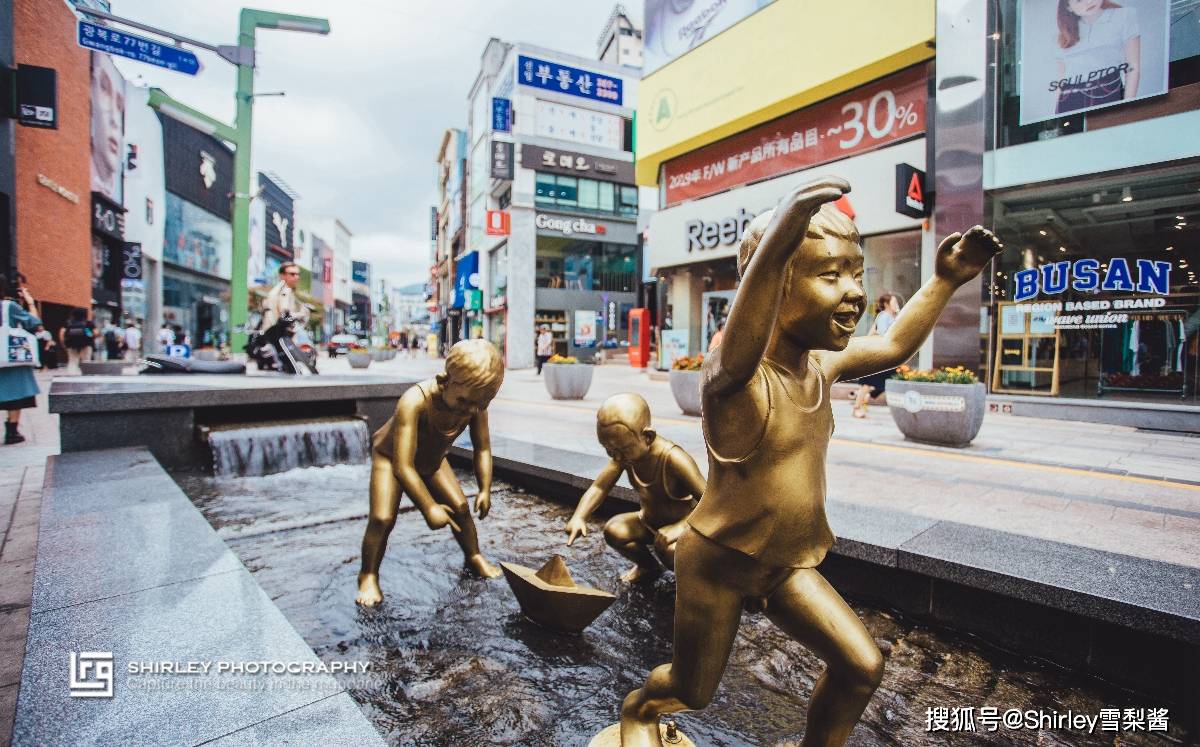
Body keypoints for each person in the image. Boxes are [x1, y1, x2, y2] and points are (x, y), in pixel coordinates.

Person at [615, 177, 1000, 746]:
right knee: (693, 690)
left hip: (786, 563)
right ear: (771, 288)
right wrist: (781, 231)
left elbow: (893, 347)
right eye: (829, 275)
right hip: (718, 563)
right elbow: (743, 339)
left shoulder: (822, 367)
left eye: (856, 273)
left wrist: (945, 280)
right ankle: (639, 711)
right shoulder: (733, 380)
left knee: (861, 666)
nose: (853, 292)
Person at [356, 339, 506, 606]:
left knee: (460, 507)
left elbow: (482, 448)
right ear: (446, 380)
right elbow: (403, 466)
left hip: (431, 459)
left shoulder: (475, 404)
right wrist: (428, 508)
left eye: (479, 404)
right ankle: (368, 575)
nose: (470, 410)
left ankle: (474, 556)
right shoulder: (414, 401)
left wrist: (484, 488)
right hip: (392, 459)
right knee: (382, 518)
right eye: (464, 402)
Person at [565, 393, 706, 583]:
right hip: (648, 523)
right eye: (609, 450)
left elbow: (710, 502)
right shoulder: (623, 457)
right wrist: (579, 516)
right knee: (614, 530)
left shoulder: (674, 459)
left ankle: (693, 586)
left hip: (681, 530)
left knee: (670, 550)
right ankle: (648, 567)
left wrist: (681, 527)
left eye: (622, 450)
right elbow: (599, 487)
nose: (617, 457)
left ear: (648, 437)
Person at [1054, 0, 1141, 116]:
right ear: (1068, 7)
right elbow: (1061, 79)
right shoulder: (1065, 33)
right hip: (1070, 98)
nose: (1088, 1)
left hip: (1107, 91)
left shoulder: (1123, 15)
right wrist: (1055, 117)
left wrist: (1128, 105)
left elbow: (1133, 66)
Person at [0, 275, 42, 445]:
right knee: (15, 390)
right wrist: (30, 302)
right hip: (8, 355)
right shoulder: (9, 306)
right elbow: (34, 323)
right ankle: (12, 431)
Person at [851, 293, 902, 418]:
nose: (896, 305)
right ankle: (857, 407)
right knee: (868, 382)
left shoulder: (891, 316)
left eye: (896, 302)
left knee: (887, 380)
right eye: (894, 302)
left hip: (885, 356)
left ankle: (863, 396)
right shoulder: (884, 316)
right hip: (878, 355)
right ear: (886, 304)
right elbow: (884, 335)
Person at [261, 262, 309, 332]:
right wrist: (301, 314)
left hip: (274, 335)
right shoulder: (283, 291)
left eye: (298, 274)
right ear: (282, 276)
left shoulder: (286, 290)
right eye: (292, 274)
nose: (297, 277)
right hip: (275, 336)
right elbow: (284, 315)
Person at [59, 308, 95, 374]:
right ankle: (86, 376)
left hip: (71, 344)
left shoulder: (68, 323)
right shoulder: (88, 323)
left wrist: (63, 344)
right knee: (86, 361)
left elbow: (62, 333)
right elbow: (95, 333)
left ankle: (72, 376)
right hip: (86, 344)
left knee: (72, 361)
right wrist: (90, 338)